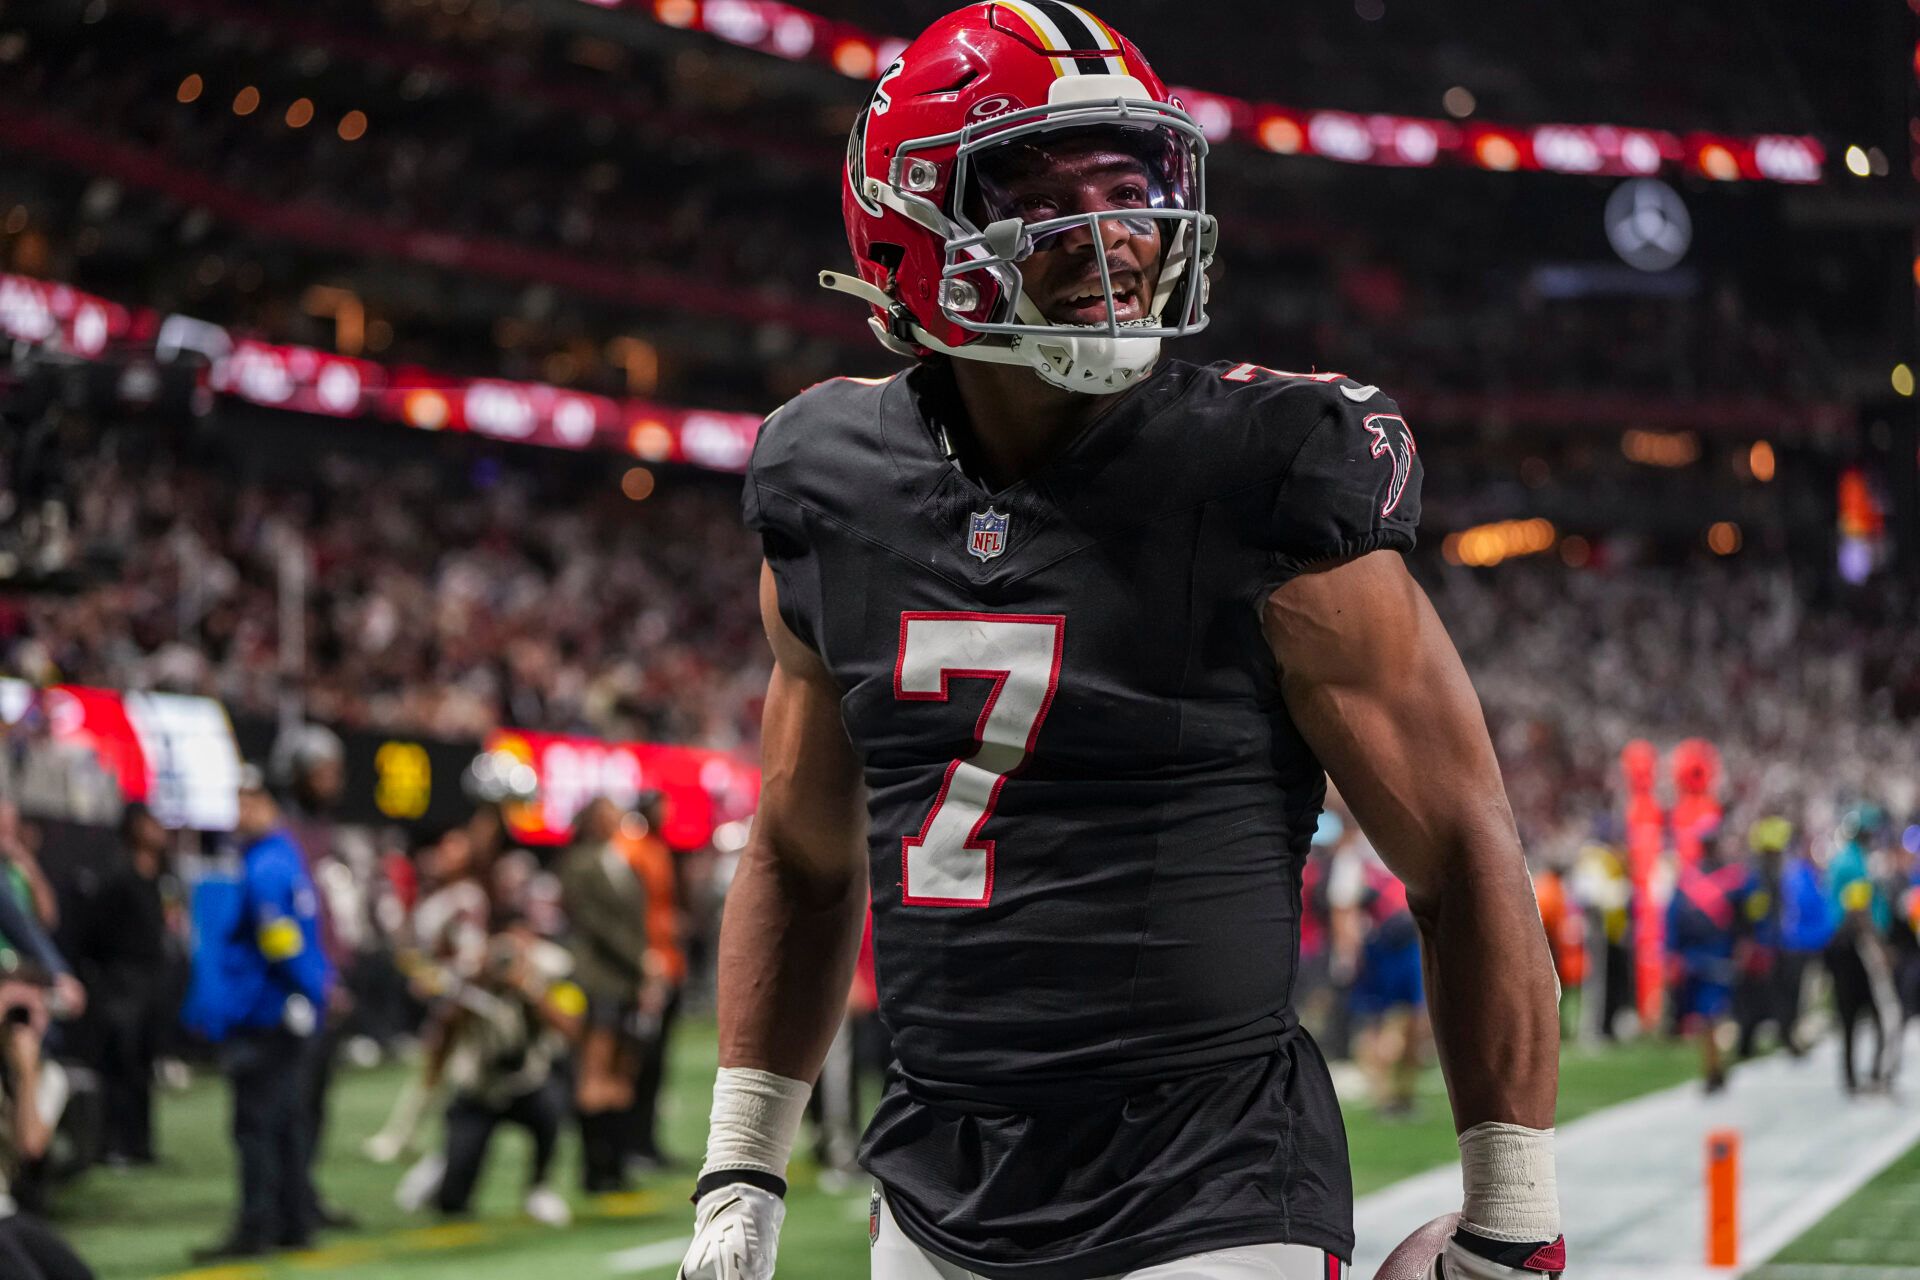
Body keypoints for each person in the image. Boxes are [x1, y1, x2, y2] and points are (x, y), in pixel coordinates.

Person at [681, 8, 1565, 1279]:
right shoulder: (830, 482)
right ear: (912, 228)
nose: (1117, 231)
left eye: (1132, 184)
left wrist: (1515, 1213)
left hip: (1207, 1188)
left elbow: (1466, 845)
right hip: (931, 1189)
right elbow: (802, 853)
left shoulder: (1262, 471)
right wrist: (741, 1169)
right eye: (1045, 190)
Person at [190, 765, 335, 1262]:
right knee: (286, 1120)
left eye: (250, 801)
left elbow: (280, 938)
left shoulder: (265, 865)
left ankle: (258, 1226)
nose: (240, 811)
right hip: (281, 1008)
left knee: (255, 1124)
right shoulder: (280, 856)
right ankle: (294, 1221)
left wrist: (303, 989)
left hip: (263, 1011)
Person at [407, 920, 581, 1227]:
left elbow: (570, 1029)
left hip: (525, 1086)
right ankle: (443, 1163)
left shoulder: (537, 983)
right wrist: (469, 991)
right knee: (452, 1203)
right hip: (479, 1092)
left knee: (552, 1109)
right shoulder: (471, 990)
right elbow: (441, 1035)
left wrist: (530, 992)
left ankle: (539, 1188)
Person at [557, 797, 652, 1194]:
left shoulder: (618, 856)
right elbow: (595, 923)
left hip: (624, 978)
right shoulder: (580, 861)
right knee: (595, 1069)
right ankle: (594, 1168)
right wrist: (639, 959)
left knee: (620, 1069)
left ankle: (615, 1161)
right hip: (599, 978)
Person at [87, 802, 172, 1166]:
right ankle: (111, 1145)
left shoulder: (161, 875)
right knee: (119, 1062)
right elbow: (96, 933)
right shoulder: (115, 875)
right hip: (121, 980)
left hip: (152, 979)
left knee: (143, 1063)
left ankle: (141, 1145)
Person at [0, 978, 96, 1280]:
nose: (22, 1021)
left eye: (33, 1010)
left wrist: (26, 1074)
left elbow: (31, 1144)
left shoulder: (49, 1076)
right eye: (13, 1009)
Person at [620, 792, 687, 1173]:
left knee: (657, 1062)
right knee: (639, 1061)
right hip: (649, 969)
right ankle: (630, 1143)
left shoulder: (655, 848)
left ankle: (645, 1141)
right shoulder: (631, 850)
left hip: (667, 965)